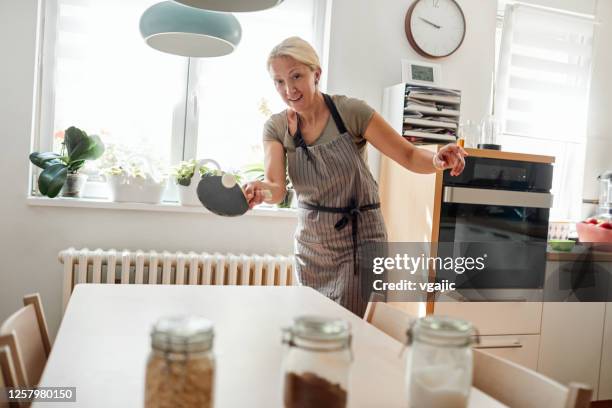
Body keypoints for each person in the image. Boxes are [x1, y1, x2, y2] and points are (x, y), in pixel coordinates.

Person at [243, 36, 467, 316]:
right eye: (278, 81)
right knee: (310, 332)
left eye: (296, 76)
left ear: (317, 74)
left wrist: (436, 160)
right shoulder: (275, 127)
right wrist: (260, 190)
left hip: (360, 241)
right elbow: (276, 188)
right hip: (311, 245)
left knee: (351, 331)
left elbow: (408, 155)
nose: (288, 89)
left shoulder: (350, 112)